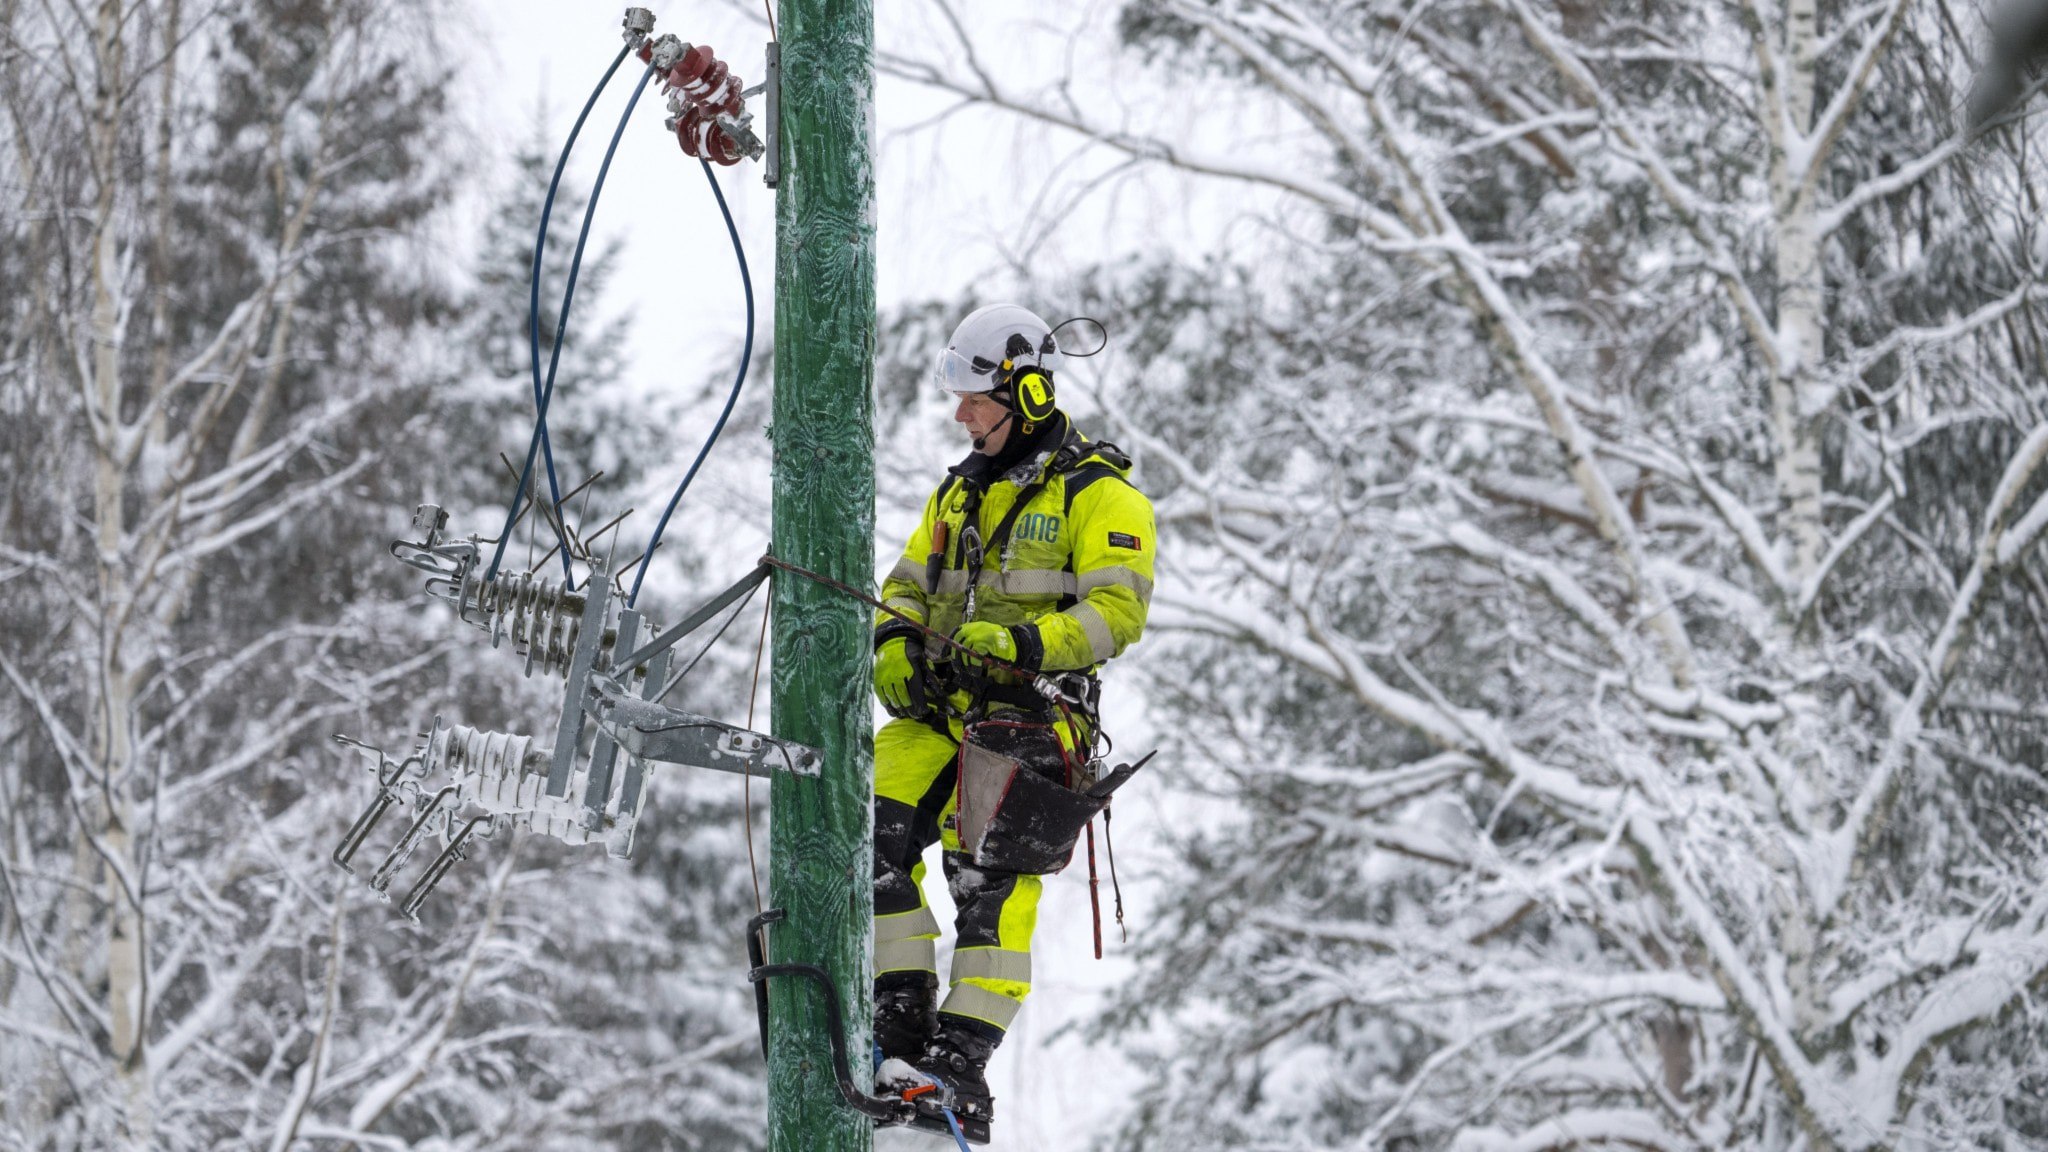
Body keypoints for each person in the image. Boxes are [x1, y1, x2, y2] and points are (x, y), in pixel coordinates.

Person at [869, 304, 1156, 1142]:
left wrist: (1027, 643)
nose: (960, 415)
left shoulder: (1101, 494)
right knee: (869, 840)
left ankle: (959, 1062)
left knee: (990, 892)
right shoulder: (957, 492)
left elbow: (1118, 612)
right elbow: (907, 580)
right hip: (939, 718)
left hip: (1030, 726)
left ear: (1027, 393)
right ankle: (898, 1016)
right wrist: (893, 638)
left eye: (973, 400)